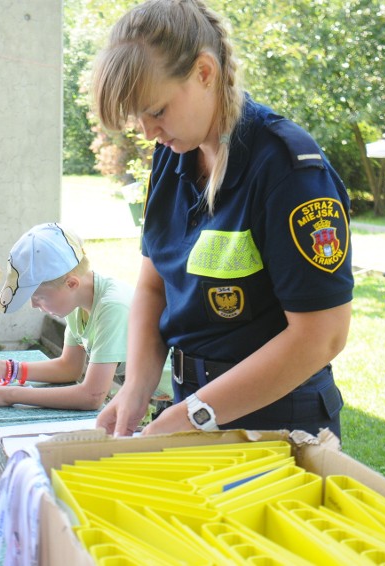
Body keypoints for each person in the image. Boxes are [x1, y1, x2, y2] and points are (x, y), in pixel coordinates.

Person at [91, 0, 353, 440]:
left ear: (204, 73)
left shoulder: (287, 168)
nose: (147, 132)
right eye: (139, 117)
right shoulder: (171, 157)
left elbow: (321, 336)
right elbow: (153, 286)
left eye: (156, 111)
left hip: (276, 424)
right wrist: (136, 387)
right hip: (190, 404)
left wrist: (190, 415)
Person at [0, 223, 132, 410]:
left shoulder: (112, 308)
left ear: (71, 284)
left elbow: (92, 396)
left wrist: (10, 395)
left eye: (39, 297)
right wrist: (5, 369)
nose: (34, 305)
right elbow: (69, 367)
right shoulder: (77, 302)